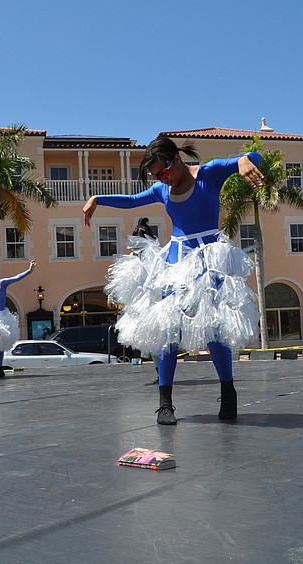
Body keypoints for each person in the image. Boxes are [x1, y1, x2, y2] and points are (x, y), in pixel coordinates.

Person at [83, 136, 264, 424]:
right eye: (156, 175)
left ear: (176, 160)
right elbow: (132, 201)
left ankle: (228, 391)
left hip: (209, 260)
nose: (161, 178)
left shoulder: (209, 173)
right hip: (177, 260)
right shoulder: (162, 190)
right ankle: (165, 402)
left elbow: (255, 158)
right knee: (167, 329)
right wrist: (98, 199)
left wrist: (245, 160)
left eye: (163, 171)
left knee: (214, 328)